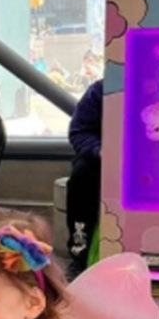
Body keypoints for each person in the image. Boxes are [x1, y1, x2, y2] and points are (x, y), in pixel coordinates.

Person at [66, 79, 103, 277]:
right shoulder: (100, 90)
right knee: (83, 173)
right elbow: (79, 132)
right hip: (100, 162)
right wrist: (99, 151)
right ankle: (80, 253)